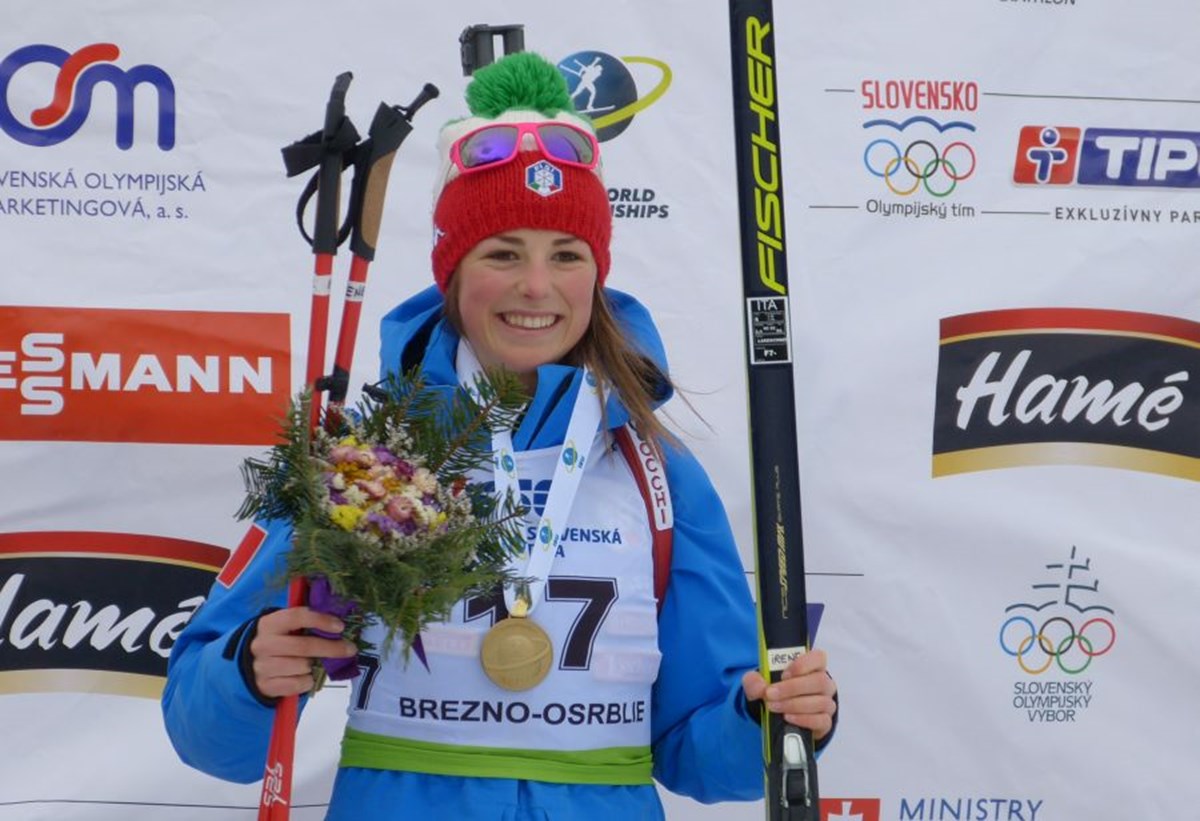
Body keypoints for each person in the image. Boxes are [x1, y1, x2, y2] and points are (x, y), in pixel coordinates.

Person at [162, 51, 837, 820]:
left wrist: (768, 721)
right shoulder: (368, 462)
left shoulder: (656, 472)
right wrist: (251, 673)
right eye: (503, 253)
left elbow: (699, 752)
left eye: (566, 255)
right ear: (452, 270)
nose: (537, 287)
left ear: (597, 274)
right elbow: (204, 733)